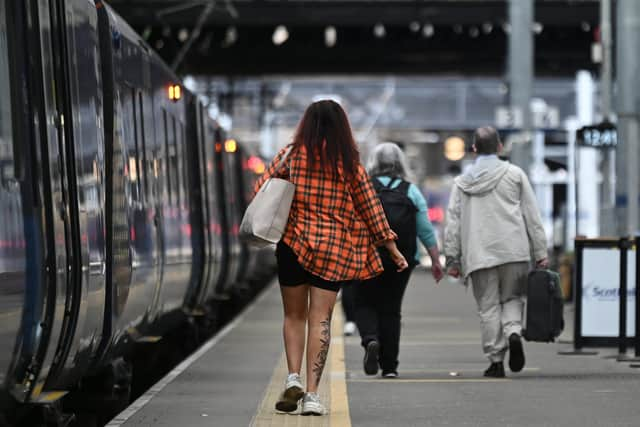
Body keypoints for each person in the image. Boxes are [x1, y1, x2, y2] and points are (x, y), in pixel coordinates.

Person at [253, 100, 408, 416]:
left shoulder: (291, 155)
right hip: (333, 250)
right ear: (342, 128)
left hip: (293, 246)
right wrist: (391, 248)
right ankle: (311, 395)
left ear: (307, 125)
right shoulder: (349, 164)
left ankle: (292, 376)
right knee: (320, 319)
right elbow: (370, 208)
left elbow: (262, 188)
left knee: (293, 316)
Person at [444, 126, 548, 378]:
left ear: (474, 149)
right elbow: (531, 215)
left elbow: (453, 222)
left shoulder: (462, 183)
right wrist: (540, 251)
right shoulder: (515, 174)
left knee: (488, 307)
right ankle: (513, 332)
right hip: (514, 250)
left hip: (479, 254)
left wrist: (452, 258)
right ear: (500, 147)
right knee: (512, 298)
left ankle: (496, 360)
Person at [354, 143, 444, 378]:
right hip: (401, 259)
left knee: (363, 303)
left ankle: (370, 339)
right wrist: (435, 261)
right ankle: (390, 366)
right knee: (391, 309)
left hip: (366, 256)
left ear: (373, 162)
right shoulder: (410, 191)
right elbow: (425, 229)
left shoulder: (364, 188)